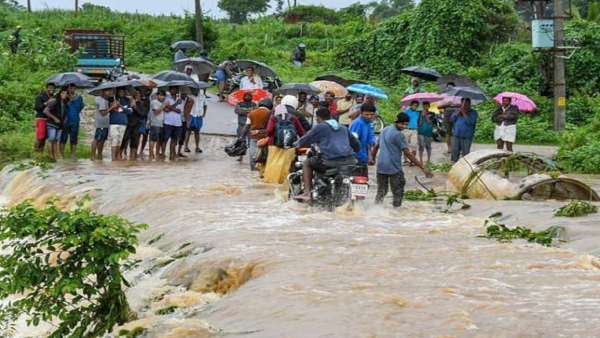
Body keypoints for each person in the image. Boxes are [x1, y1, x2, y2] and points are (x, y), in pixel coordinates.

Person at [293, 108, 360, 201]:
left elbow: (304, 139)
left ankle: (307, 192)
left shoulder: (320, 127)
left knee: (307, 163)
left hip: (330, 162)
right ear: (330, 116)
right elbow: (356, 145)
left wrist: (295, 145)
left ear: (318, 118)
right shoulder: (343, 127)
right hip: (350, 161)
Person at [372, 113, 433, 208]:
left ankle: (375, 210)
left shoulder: (384, 130)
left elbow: (376, 146)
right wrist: (423, 167)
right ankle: (397, 214)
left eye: (406, 124)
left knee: (381, 192)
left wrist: (372, 159)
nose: (404, 127)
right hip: (394, 167)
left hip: (381, 166)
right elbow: (407, 153)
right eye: (402, 124)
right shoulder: (399, 135)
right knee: (398, 192)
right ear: (396, 122)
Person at [263, 104, 305, 184]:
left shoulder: (274, 118)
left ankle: (272, 181)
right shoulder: (293, 118)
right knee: (286, 164)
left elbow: (269, 131)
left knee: (273, 163)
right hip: (290, 145)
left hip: (274, 145)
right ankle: (285, 182)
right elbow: (301, 132)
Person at [239, 98, 273, 171]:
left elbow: (247, 126)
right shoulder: (270, 114)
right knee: (265, 157)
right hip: (265, 139)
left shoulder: (251, 113)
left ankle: (253, 171)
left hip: (253, 137)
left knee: (253, 156)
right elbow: (271, 128)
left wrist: (241, 137)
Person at [350, 103, 377, 176]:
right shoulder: (357, 123)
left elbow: (369, 142)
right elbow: (352, 142)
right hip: (355, 158)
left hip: (363, 158)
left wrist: (370, 156)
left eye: (371, 114)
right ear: (361, 113)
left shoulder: (369, 123)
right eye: (367, 114)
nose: (369, 116)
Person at [59, 84, 84, 160]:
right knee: (63, 138)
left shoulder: (79, 98)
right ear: (68, 89)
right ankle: (62, 154)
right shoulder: (64, 97)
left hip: (75, 120)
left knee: (74, 138)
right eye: (70, 88)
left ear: (75, 89)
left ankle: (73, 154)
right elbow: (60, 107)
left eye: (73, 88)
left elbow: (80, 107)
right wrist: (65, 99)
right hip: (65, 120)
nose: (71, 90)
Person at [44, 88, 69, 161]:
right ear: (59, 94)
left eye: (65, 94)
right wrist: (54, 118)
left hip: (60, 125)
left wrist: (64, 120)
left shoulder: (64, 102)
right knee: (51, 139)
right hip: (52, 123)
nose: (64, 95)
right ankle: (51, 156)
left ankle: (56, 156)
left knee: (56, 140)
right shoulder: (54, 101)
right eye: (62, 93)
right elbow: (45, 111)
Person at [450, 98, 478, 162]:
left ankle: (465, 166)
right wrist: (457, 113)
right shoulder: (457, 111)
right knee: (454, 151)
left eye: (466, 104)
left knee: (465, 154)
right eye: (463, 104)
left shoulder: (473, 112)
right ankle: (454, 165)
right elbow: (451, 120)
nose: (464, 105)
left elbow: (471, 123)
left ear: (469, 104)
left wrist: (464, 113)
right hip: (456, 135)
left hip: (467, 136)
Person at [109, 88, 133, 161]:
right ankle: (113, 158)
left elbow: (130, 112)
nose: (121, 93)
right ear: (117, 92)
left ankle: (117, 156)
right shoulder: (111, 99)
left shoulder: (127, 100)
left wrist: (121, 106)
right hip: (114, 123)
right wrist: (113, 105)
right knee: (114, 140)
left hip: (123, 123)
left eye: (123, 91)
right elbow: (109, 110)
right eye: (120, 91)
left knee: (120, 141)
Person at [91, 88, 114, 161]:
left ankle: (99, 155)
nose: (110, 92)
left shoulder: (106, 100)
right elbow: (103, 113)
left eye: (110, 91)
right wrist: (112, 107)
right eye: (108, 91)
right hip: (100, 123)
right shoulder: (101, 100)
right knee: (97, 139)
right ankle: (93, 156)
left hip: (105, 123)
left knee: (102, 140)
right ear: (102, 92)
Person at [163, 87, 183, 161]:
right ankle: (163, 154)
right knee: (165, 139)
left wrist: (170, 107)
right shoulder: (167, 98)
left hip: (177, 123)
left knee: (174, 140)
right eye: (171, 89)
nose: (173, 90)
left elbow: (179, 111)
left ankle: (171, 155)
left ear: (177, 90)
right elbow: (166, 110)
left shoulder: (180, 99)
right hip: (168, 122)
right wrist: (176, 104)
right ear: (169, 90)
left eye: (174, 89)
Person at [34, 83, 55, 153]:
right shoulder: (40, 96)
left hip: (48, 119)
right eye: (50, 88)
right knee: (40, 136)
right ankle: (36, 152)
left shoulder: (52, 97)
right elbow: (37, 107)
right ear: (47, 88)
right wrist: (47, 102)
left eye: (53, 88)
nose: (51, 89)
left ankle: (41, 152)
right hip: (41, 118)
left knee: (45, 137)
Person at [184, 89, 208, 154]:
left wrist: (204, 114)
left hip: (198, 116)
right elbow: (185, 107)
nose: (195, 90)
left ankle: (197, 147)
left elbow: (205, 105)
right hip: (191, 115)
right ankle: (186, 146)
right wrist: (186, 116)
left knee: (197, 132)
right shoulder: (189, 97)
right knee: (188, 131)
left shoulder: (202, 96)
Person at [176, 88, 195, 157]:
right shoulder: (177, 99)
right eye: (182, 93)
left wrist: (187, 121)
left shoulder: (190, 100)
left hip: (183, 120)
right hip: (176, 120)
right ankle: (175, 151)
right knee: (175, 136)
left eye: (185, 94)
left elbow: (188, 111)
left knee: (182, 136)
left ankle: (178, 151)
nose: (183, 95)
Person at [149, 90, 167, 161]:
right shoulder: (154, 102)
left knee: (159, 140)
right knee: (153, 140)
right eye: (160, 95)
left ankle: (156, 154)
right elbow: (156, 112)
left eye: (163, 95)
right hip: (155, 123)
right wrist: (163, 106)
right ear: (157, 96)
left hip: (161, 124)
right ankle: (151, 154)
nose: (162, 97)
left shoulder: (161, 103)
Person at [136, 89, 151, 159]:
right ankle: (136, 151)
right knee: (138, 136)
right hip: (139, 119)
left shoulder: (148, 99)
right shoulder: (138, 99)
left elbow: (147, 110)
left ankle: (141, 151)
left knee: (145, 136)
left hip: (146, 120)